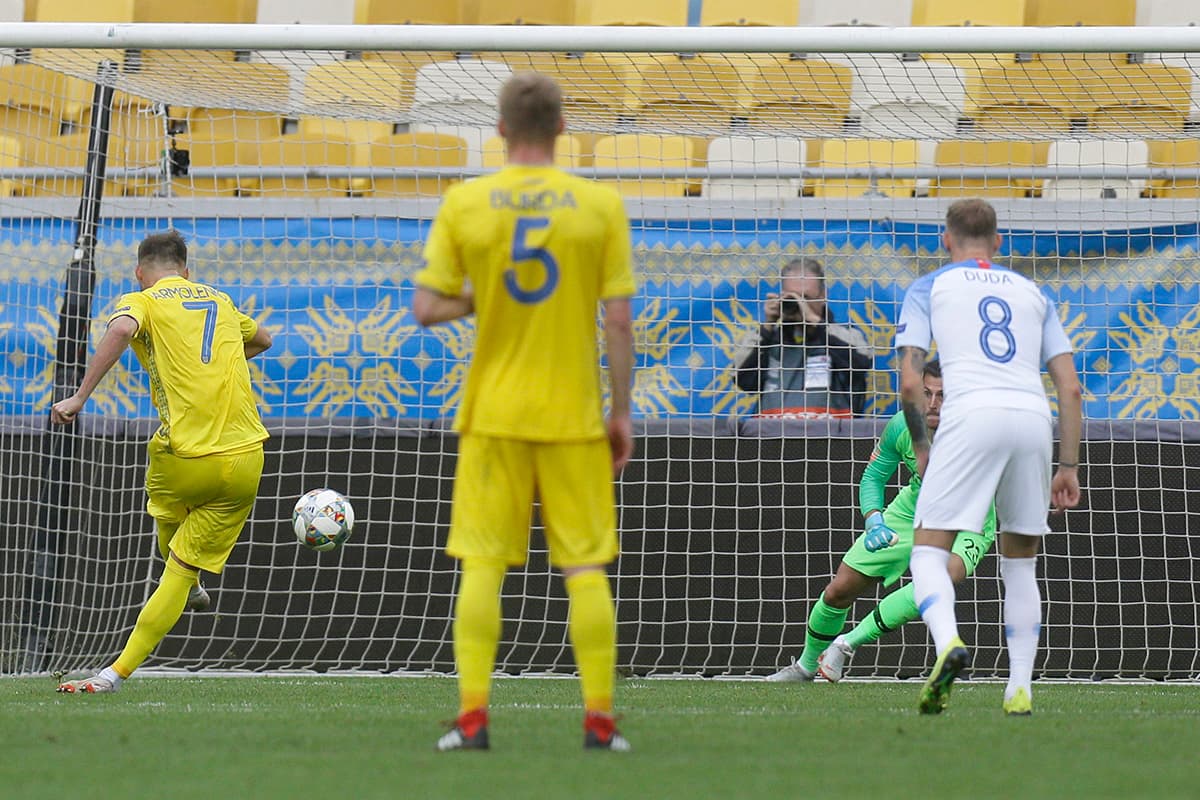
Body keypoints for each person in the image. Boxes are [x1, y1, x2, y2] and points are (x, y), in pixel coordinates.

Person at [412, 72, 636, 752]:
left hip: (493, 415)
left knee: (483, 566)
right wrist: (620, 412)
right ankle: (599, 723)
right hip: (572, 416)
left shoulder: (466, 201)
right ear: (564, 129)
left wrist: (484, 299)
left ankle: (473, 719)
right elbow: (619, 323)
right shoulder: (600, 206)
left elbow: (426, 308)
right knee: (585, 568)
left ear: (501, 131)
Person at [51, 230, 273, 693]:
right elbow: (264, 339)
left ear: (140, 272)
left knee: (164, 494)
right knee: (181, 568)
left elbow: (120, 329)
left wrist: (79, 396)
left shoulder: (142, 300)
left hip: (185, 458)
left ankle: (127, 651)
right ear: (187, 271)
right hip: (247, 457)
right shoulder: (222, 301)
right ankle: (114, 674)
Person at [895, 198, 1082, 716]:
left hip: (971, 413)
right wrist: (1066, 466)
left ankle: (948, 643)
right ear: (999, 244)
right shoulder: (1033, 292)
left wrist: (920, 444)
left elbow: (912, 379)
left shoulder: (929, 286)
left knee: (928, 551)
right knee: (1020, 563)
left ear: (945, 241)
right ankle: (1019, 687)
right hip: (1031, 417)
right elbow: (1070, 388)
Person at [767, 360, 997, 683]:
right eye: (926, 393)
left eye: (943, 396)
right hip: (914, 508)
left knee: (944, 576)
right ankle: (805, 667)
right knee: (839, 589)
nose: (933, 404)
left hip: (972, 515)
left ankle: (847, 643)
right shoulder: (902, 426)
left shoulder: (979, 432)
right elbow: (874, 476)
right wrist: (874, 520)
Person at [736, 258, 873, 418]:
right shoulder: (769, 338)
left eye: (806, 297)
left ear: (823, 295)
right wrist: (768, 326)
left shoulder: (845, 335)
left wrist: (814, 321)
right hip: (773, 436)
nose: (799, 303)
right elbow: (743, 381)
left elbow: (861, 364)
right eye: (792, 297)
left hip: (830, 437)